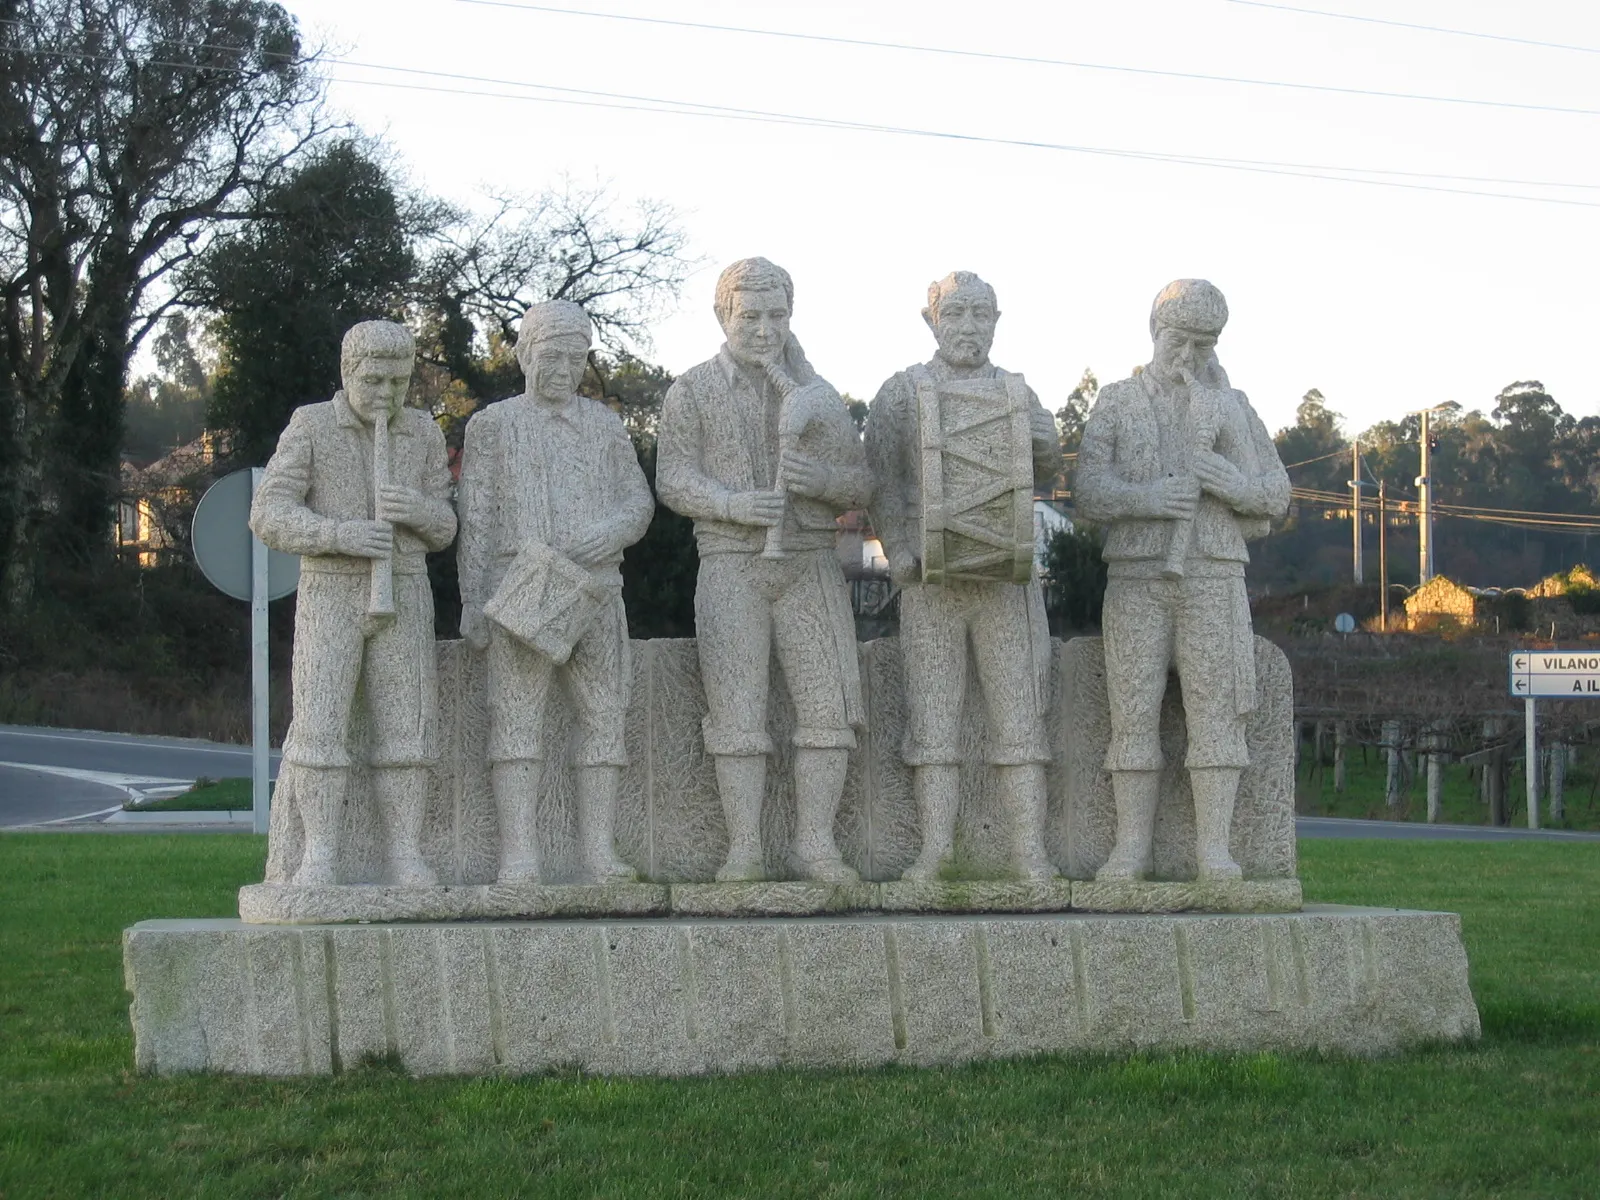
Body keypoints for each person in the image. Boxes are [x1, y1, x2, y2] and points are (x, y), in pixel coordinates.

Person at [656, 257, 869, 883]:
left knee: (827, 709)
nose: (763, 328)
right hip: (729, 562)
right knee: (735, 711)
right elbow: (672, 479)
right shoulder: (691, 390)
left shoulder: (817, 394)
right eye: (750, 316)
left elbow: (861, 482)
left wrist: (822, 481)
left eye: (776, 315)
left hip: (806, 560)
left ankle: (815, 844)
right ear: (724, 315)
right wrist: (732, 504)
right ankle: (744, 846)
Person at [1075, 279, 1290, 881]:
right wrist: (1147, 498)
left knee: (1217, 714)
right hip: (1140, 574)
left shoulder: (1233, 407)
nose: (1188, 354)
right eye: (1178, 338)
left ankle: (1213, 850)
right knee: (1133, 715)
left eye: (1203, 342)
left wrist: (1227, 479)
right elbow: (1087, 491)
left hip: (1215, 576)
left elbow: (1274, 495)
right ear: (1154, 330)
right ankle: (1131, 848)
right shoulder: (1117, 400)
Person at [864, 271, 1060, 881]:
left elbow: (1045, 471)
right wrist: (899, 550)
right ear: (932, 321)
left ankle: (1029, 852)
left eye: (982, 315)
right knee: (933, 720)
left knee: (1020, 717)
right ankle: (935, 850)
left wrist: (1045, 443)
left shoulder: (1016, 394)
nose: (969, 327)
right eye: (956, 314)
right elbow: (884, 482)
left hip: (1004, 583)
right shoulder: (901, 394)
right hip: (932, 584)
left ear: (996, 323)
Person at [250, 320, 457, 886]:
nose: (387, 395)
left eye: (398, 382)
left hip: (406, 588)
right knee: (320, 725)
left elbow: (444, 526)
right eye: (374, 381)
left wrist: (414, 508)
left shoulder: (421, 432)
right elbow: (268, 512)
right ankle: (319, 854)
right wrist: (338, 534)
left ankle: (405, 854)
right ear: (348, 373)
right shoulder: (312, 425)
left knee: (407, 727)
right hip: (332, 589)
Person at [457, 300, 653, 885]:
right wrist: (473, 599)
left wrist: (604, 535)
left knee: (603, 719)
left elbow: (638, 503)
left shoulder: (604, 425)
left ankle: (597, 852)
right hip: (522, 588)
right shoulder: (494, 425)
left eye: (575, 357)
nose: (563, 368)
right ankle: (520, 854)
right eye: (550, 355)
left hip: (596, 588)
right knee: (515, 720)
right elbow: (478, 516)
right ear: (523, 355)